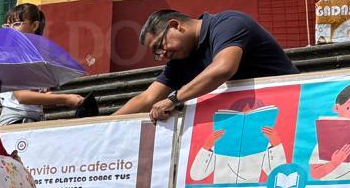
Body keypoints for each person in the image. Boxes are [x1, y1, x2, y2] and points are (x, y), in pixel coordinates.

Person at [114, 9, 298, 123]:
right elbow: (147, 98)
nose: (162, 54)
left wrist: (174, 99)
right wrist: (100, 124)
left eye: (159, 45)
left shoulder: (229, 23)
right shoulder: (180, 59)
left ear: (175, 25)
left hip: (291, 110)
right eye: (157, 53)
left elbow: (223, 68)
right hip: (247, 121)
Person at [0, 4, 87, 124]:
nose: (11, 29)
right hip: (16, 120)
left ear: (35, 25)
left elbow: (37, 95)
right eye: (7, 26)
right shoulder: (12, 55)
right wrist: (65, 98)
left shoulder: (39, 55)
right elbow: (22, 96)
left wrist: (47, 98)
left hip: (35, 119)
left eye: (17, 24)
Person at [187, 96, 286, 185]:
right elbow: (197, 175)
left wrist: (276, 144)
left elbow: (278, 175)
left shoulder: (264, 146)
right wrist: (207, 147)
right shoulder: (219, 145)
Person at [309, 84, 350, 180]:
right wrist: (334, 162)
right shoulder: (327, 138)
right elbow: (315, 173)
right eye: (348, 108)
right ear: (336, 108)